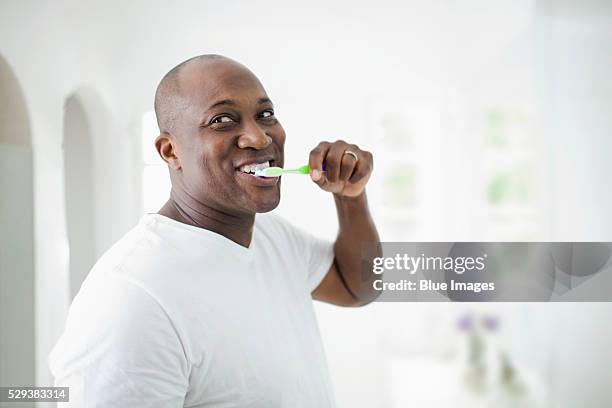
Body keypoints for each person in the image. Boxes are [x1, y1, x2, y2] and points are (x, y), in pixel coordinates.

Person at [49, 54, 380, 407]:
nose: (258, 136)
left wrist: (351, 197)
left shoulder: (273, 237)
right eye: (222, 120)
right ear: (170, 151)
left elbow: (357, 286)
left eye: (265, 114)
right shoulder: (133, 297)